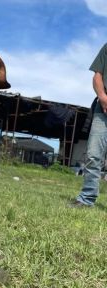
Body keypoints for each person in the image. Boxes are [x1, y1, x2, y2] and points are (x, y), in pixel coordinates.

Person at [72, 43, 107, 207]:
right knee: (94, 155)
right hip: (103, 110)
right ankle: (87, 199)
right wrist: (102, 97)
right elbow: (97, 75)